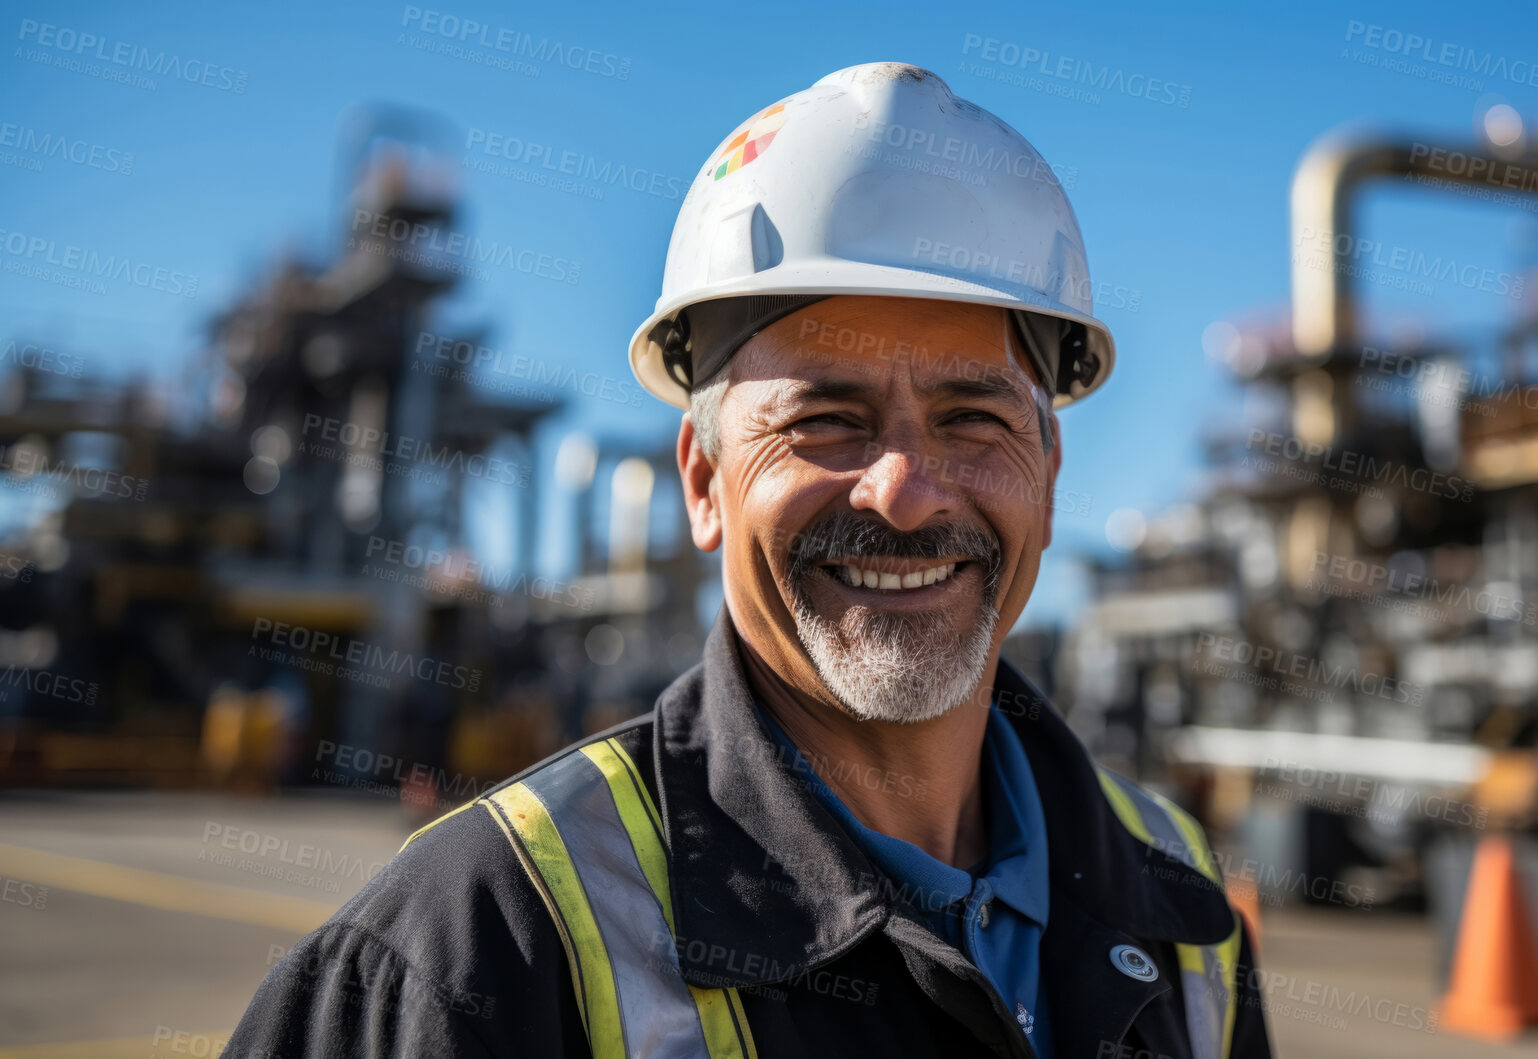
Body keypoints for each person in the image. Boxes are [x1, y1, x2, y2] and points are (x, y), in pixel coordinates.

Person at [228, 62, 1272, 1059]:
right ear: (701, 482)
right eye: (824, 418)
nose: (902, 490)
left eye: (971, 418)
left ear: (1045, 476)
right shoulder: (474, 946)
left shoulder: (1176, 900)